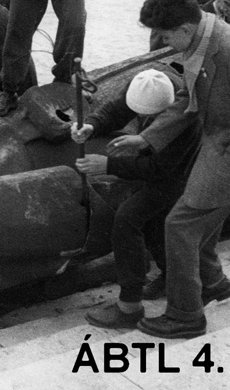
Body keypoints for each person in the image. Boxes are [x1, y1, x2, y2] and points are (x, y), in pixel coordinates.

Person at [135, 0, 230, 339]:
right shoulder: (201, 40)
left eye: (167, 35)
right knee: (202, 222)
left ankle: (186, 316)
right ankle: (214, 284)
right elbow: (190, 95)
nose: (165, 42)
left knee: (180, 225)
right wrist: (147, 138)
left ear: (185, 29)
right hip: (218, 146)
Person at [75, 70, 201, 329]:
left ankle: (129, 306)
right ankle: (169, 279)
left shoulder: (182, 118)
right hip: (161, 169)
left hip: (179, 174)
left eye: (149, 117)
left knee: (127, 219)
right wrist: (92, 125)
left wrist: (109, 165)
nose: (142, 119)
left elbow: (158, 169)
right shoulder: (146, 83)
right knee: (154, 222)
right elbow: (117, 111)